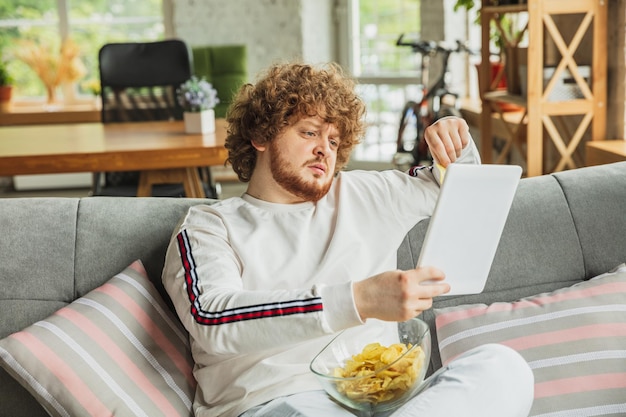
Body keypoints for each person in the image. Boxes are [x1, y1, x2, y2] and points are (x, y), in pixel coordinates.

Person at [162, 62, 534, 417]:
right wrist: (358, 300)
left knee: (503, 368)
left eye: (335, 140)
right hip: (277, 402)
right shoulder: (209, 226)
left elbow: (459, 192)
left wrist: (455, 144)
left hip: (389, 398)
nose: (325, 148)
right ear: (261, 135)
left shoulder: (362, 194)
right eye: (309, 132)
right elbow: (211, 318)